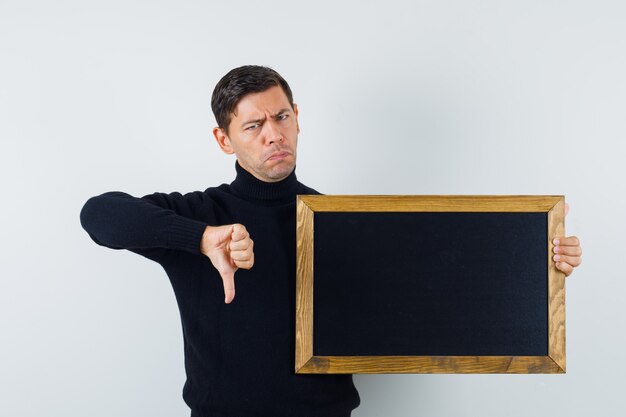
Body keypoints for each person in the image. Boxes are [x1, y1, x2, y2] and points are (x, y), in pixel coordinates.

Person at [79, 65, 583, 417]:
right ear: (224, 140)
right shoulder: (200, 214)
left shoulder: (342, 220)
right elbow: (98, 214)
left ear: (297, 117)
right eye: (253, 125)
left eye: (281, 117)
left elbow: (435, 287)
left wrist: (533, 263)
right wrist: (203, 239)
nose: (273, 134)